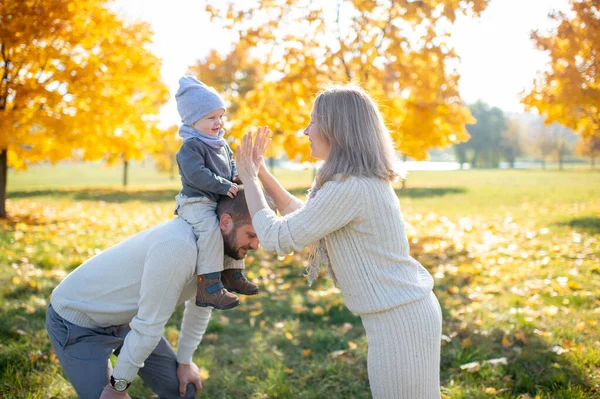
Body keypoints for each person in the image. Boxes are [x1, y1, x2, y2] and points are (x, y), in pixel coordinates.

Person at [236, 84, 443, 399]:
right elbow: (307, 219)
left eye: (313, 122)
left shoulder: (350, 188)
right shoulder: (353, 184)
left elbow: (278, 238)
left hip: (401, 321)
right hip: (400, 315)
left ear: (336, 129)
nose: (306, 131)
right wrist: (262, 173)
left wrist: (249, 178)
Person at [46, 190, 261, 399]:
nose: (256, 245)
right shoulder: (179, 248)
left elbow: (201, 307)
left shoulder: (222, 251)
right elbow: (148, 325)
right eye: (250, 235)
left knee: (184, 391)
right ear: (225, 222)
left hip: (128, 320)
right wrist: (117, 388)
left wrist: (185, 362)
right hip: (79, 320)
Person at [174, 75, 257, 310]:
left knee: (231, 228)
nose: (218, 122)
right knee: (211, 230)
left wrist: (235, 178)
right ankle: (208, 286)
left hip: (217, 199)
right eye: (211, 117)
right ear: (192, 121)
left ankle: (232, 272)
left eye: (220, 116)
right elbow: (196, 174)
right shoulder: (191, 146)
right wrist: (223, 185)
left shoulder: (220, 144)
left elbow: (229, 167)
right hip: (197, 201)